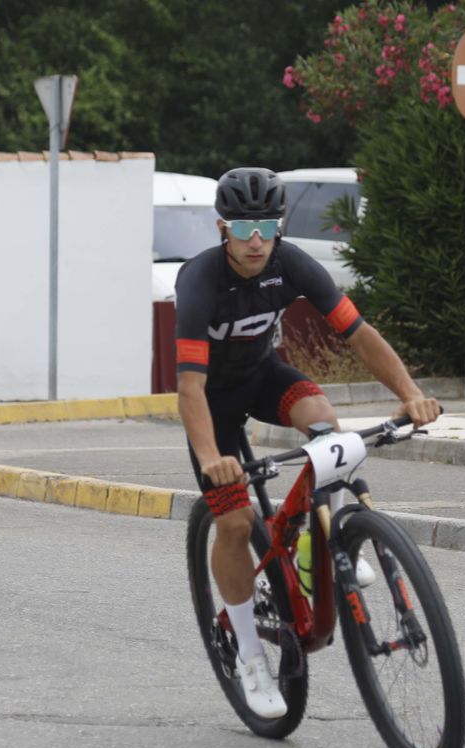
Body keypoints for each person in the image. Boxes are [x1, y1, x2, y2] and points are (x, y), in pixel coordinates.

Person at [175, 167, 441, 719]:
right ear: (222, 227)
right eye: (244, 226)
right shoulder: (199, 281)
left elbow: (359, 333)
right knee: (231, 522)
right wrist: (210, 458)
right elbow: (190, 386)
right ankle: (248, 653)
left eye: (267, 225)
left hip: (262, 377)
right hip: (213, 404)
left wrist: (411, 395)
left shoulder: (290, 263)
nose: (256, 239)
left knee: (327, 426)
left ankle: (315, 541)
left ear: (279, 225)